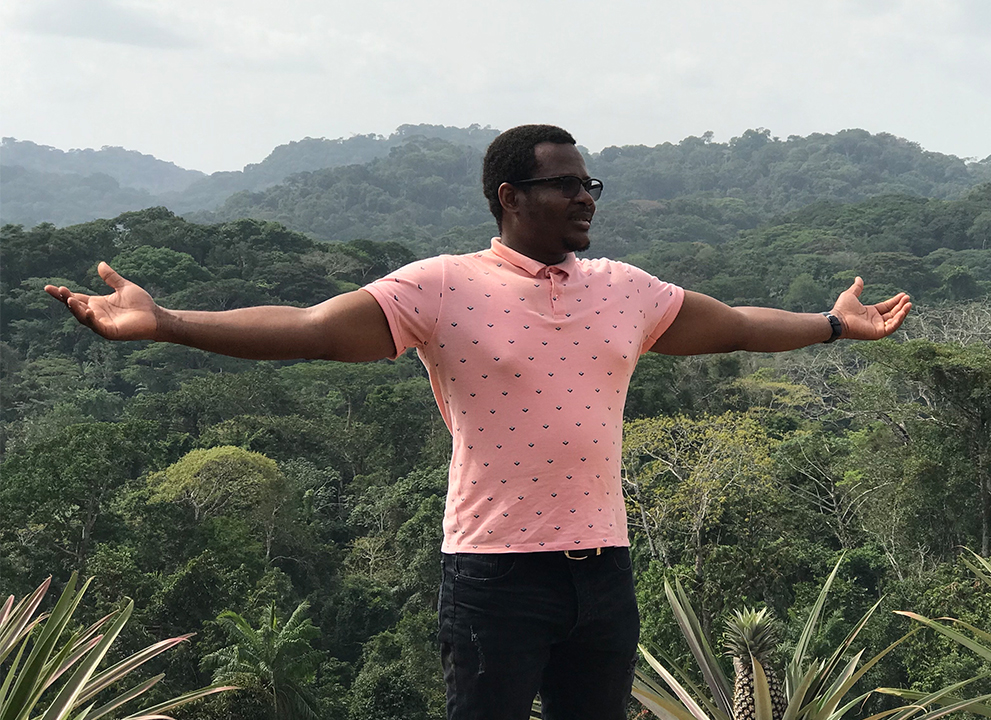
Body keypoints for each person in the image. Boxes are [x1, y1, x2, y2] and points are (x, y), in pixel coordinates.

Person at [45, 124, 912, 719]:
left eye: (590, 184)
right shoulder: (440, 287)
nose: (587, 199)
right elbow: (309, 331)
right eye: (566, 186)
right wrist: (165, 322)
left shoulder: (625, 289)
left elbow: (735, 324)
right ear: (510, 195)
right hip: (496, 576)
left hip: (603, 567)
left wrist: (835, 325)